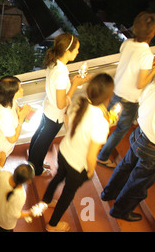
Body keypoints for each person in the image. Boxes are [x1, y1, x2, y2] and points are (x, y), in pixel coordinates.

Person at [41, 73, 114, 232]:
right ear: (108, 96)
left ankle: (46, 200)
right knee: (67, 195)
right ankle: (52, 225)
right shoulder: (101, 122)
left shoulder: (79, 102)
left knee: (58, 176)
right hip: (77, 165)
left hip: (64, 151)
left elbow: (67, 122)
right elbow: (91, 155)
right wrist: (91, 171)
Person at [97, 12, 155, 168]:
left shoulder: (127, 44)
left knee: (104, 121)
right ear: (152, 33)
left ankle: (94, 145)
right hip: (129, 99)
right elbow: (140, 84)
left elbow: (131, 64)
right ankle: (103, 156)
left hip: (116, 90)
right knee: (121, 129)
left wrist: (150, 66)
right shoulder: (146, 53)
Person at [101, 78, 155, 222]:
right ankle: (120, 211)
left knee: (125, 166)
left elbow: (141, 101)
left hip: (138, 135)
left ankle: (108, 193)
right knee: (139, 183)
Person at [28, 33, 89, 176]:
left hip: (48, 107)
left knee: (39, 136)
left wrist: (72, 84)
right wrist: (74, 85)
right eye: (76, 49)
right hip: (55, 114)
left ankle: (33, 162)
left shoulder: (53, 62)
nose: (78, 52)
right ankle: (36, 169)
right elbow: (62, 104)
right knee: (43, 142)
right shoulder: (61, 73)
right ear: (68, 51)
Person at [0, 76, 31, 167]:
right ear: (10, 93)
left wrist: (20, 112)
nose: (22, 90)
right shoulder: (4, 115)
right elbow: (12, 139)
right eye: (19, 90)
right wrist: (21, 119)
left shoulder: (6, 99)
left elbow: (14, 110)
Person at [0, 163, 36, 232]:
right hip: (5, 221)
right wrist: (29, 213)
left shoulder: (5, 175)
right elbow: (14, 214)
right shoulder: (20, 195)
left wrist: (2, 161)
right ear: (28, 181)